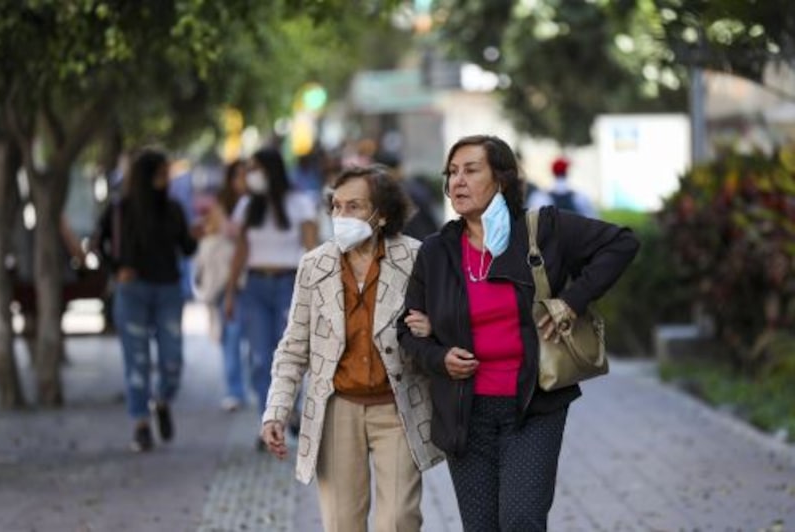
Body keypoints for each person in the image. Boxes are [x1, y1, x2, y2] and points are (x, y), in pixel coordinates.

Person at [397, 135, 638, 531]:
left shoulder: (543, 229)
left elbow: (621, 243)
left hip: (533, 404)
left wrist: (572, 301)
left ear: (502, 179)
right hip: (465, 411)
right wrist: (439, 357)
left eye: (471, 170)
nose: (457, 181)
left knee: (521, 520)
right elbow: (407, 332)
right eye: (452, 172)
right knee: (481, 527)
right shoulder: (437, 251)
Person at [260, 165, 444, 532]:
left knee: (399, 520)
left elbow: (448, 322)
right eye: (336, 206)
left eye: (354, 206)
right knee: (342, 523)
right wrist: (276, 411)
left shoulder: (415, 257)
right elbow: (294, 347)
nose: (341, 216)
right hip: (336, 408)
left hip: (398, 406)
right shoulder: (314, 265)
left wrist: (433, 328)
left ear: (382, 214)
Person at [95, 147, 201, 452]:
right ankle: (140, 423)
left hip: (168, 290)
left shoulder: (173, 209)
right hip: (133, 291)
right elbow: (99, 243)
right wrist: (116, 269)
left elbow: (187, 248)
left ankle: (162, 400)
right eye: (162, 173)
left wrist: (197, 234)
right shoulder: (120, 210)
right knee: (137, 361)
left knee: (172, 360)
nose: (167, 178)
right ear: (148, 176)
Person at [223, 146, 318, 439]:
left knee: (291, 353)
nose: (249, 175)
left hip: (290, 285)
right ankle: (269, 421)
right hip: (254, 287)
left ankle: (289, 408)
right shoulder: (246, 206)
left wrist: (318, 292)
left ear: (270, 170)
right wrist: (230, 292)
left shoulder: (299, 203)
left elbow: (312, 250)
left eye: (254, 169)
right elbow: (240, 252)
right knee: (260, 358)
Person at [193, 158, 250, 412]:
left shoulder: (260, 203)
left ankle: (251, 387)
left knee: (252, 338)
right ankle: (235, 390)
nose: (243, 180)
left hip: (251, 277)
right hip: (226, 279)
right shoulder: (222, 205)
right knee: (232, 335)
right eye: (239, 175)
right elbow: (213, 231)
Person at [528, 156, 598, 218]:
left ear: (552, 172)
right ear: (567, 171)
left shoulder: (540, 197)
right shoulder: (580, 197)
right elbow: (592, 218)